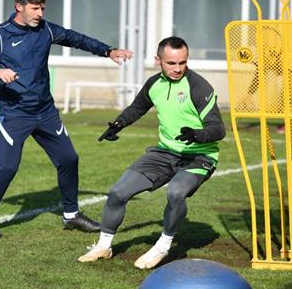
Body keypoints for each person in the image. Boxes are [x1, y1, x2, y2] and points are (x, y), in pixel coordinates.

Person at [0, 0, 134, 238]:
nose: (40, 13)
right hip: (15, 114)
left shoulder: (46, 29)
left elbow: (77, 39)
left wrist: (108, 51)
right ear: (19, 6)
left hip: (45, 112)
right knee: (7, 168)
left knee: (69, 159)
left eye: (42, 8)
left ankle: (71, 215)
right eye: (35, 8)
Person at [77, 36, 226, 269]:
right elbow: (138, 107)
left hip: (199, 157)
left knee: (176, 192)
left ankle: (162, 248)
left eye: (182, 63)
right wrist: (118, 124)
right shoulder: (154, 83)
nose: (178, 69)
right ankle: (103, 246)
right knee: (117, 192)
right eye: (171, 63)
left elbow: (218, 129)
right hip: (164, 153)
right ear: (158, 61)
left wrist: (198, 135)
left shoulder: (199, 87)